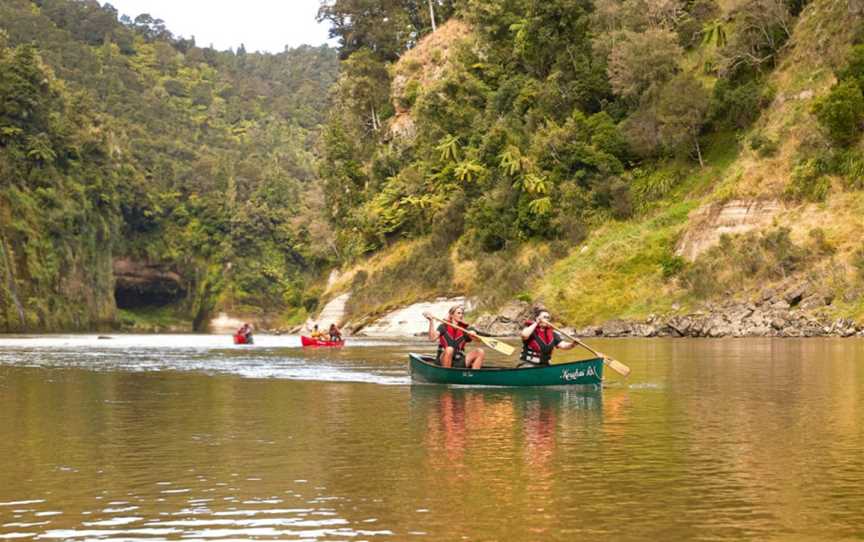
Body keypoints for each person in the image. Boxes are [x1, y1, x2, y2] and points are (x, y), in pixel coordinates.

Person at [423, 305, 485, 369]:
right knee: (449, 349)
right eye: (458, 313)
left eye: (462, 313)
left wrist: (473, 334)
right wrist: (431, 321)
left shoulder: (466, 329)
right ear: (451, 315)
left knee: (480, 351)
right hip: (442, 360)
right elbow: (432, 338)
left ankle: (474, 375)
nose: (461, 315)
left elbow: (478, 340)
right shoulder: (443, 326)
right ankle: (447, 374)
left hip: (459, 360)